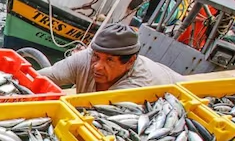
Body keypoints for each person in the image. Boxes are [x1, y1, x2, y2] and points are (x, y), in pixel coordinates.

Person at [38, 23, 183, 93]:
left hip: (182, 93)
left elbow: (100, 115)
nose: (97, 66)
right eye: (96, 56)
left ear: (130, 61)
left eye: (109, 60)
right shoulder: (85, 59)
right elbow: (46, 76)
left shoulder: (138, 85)